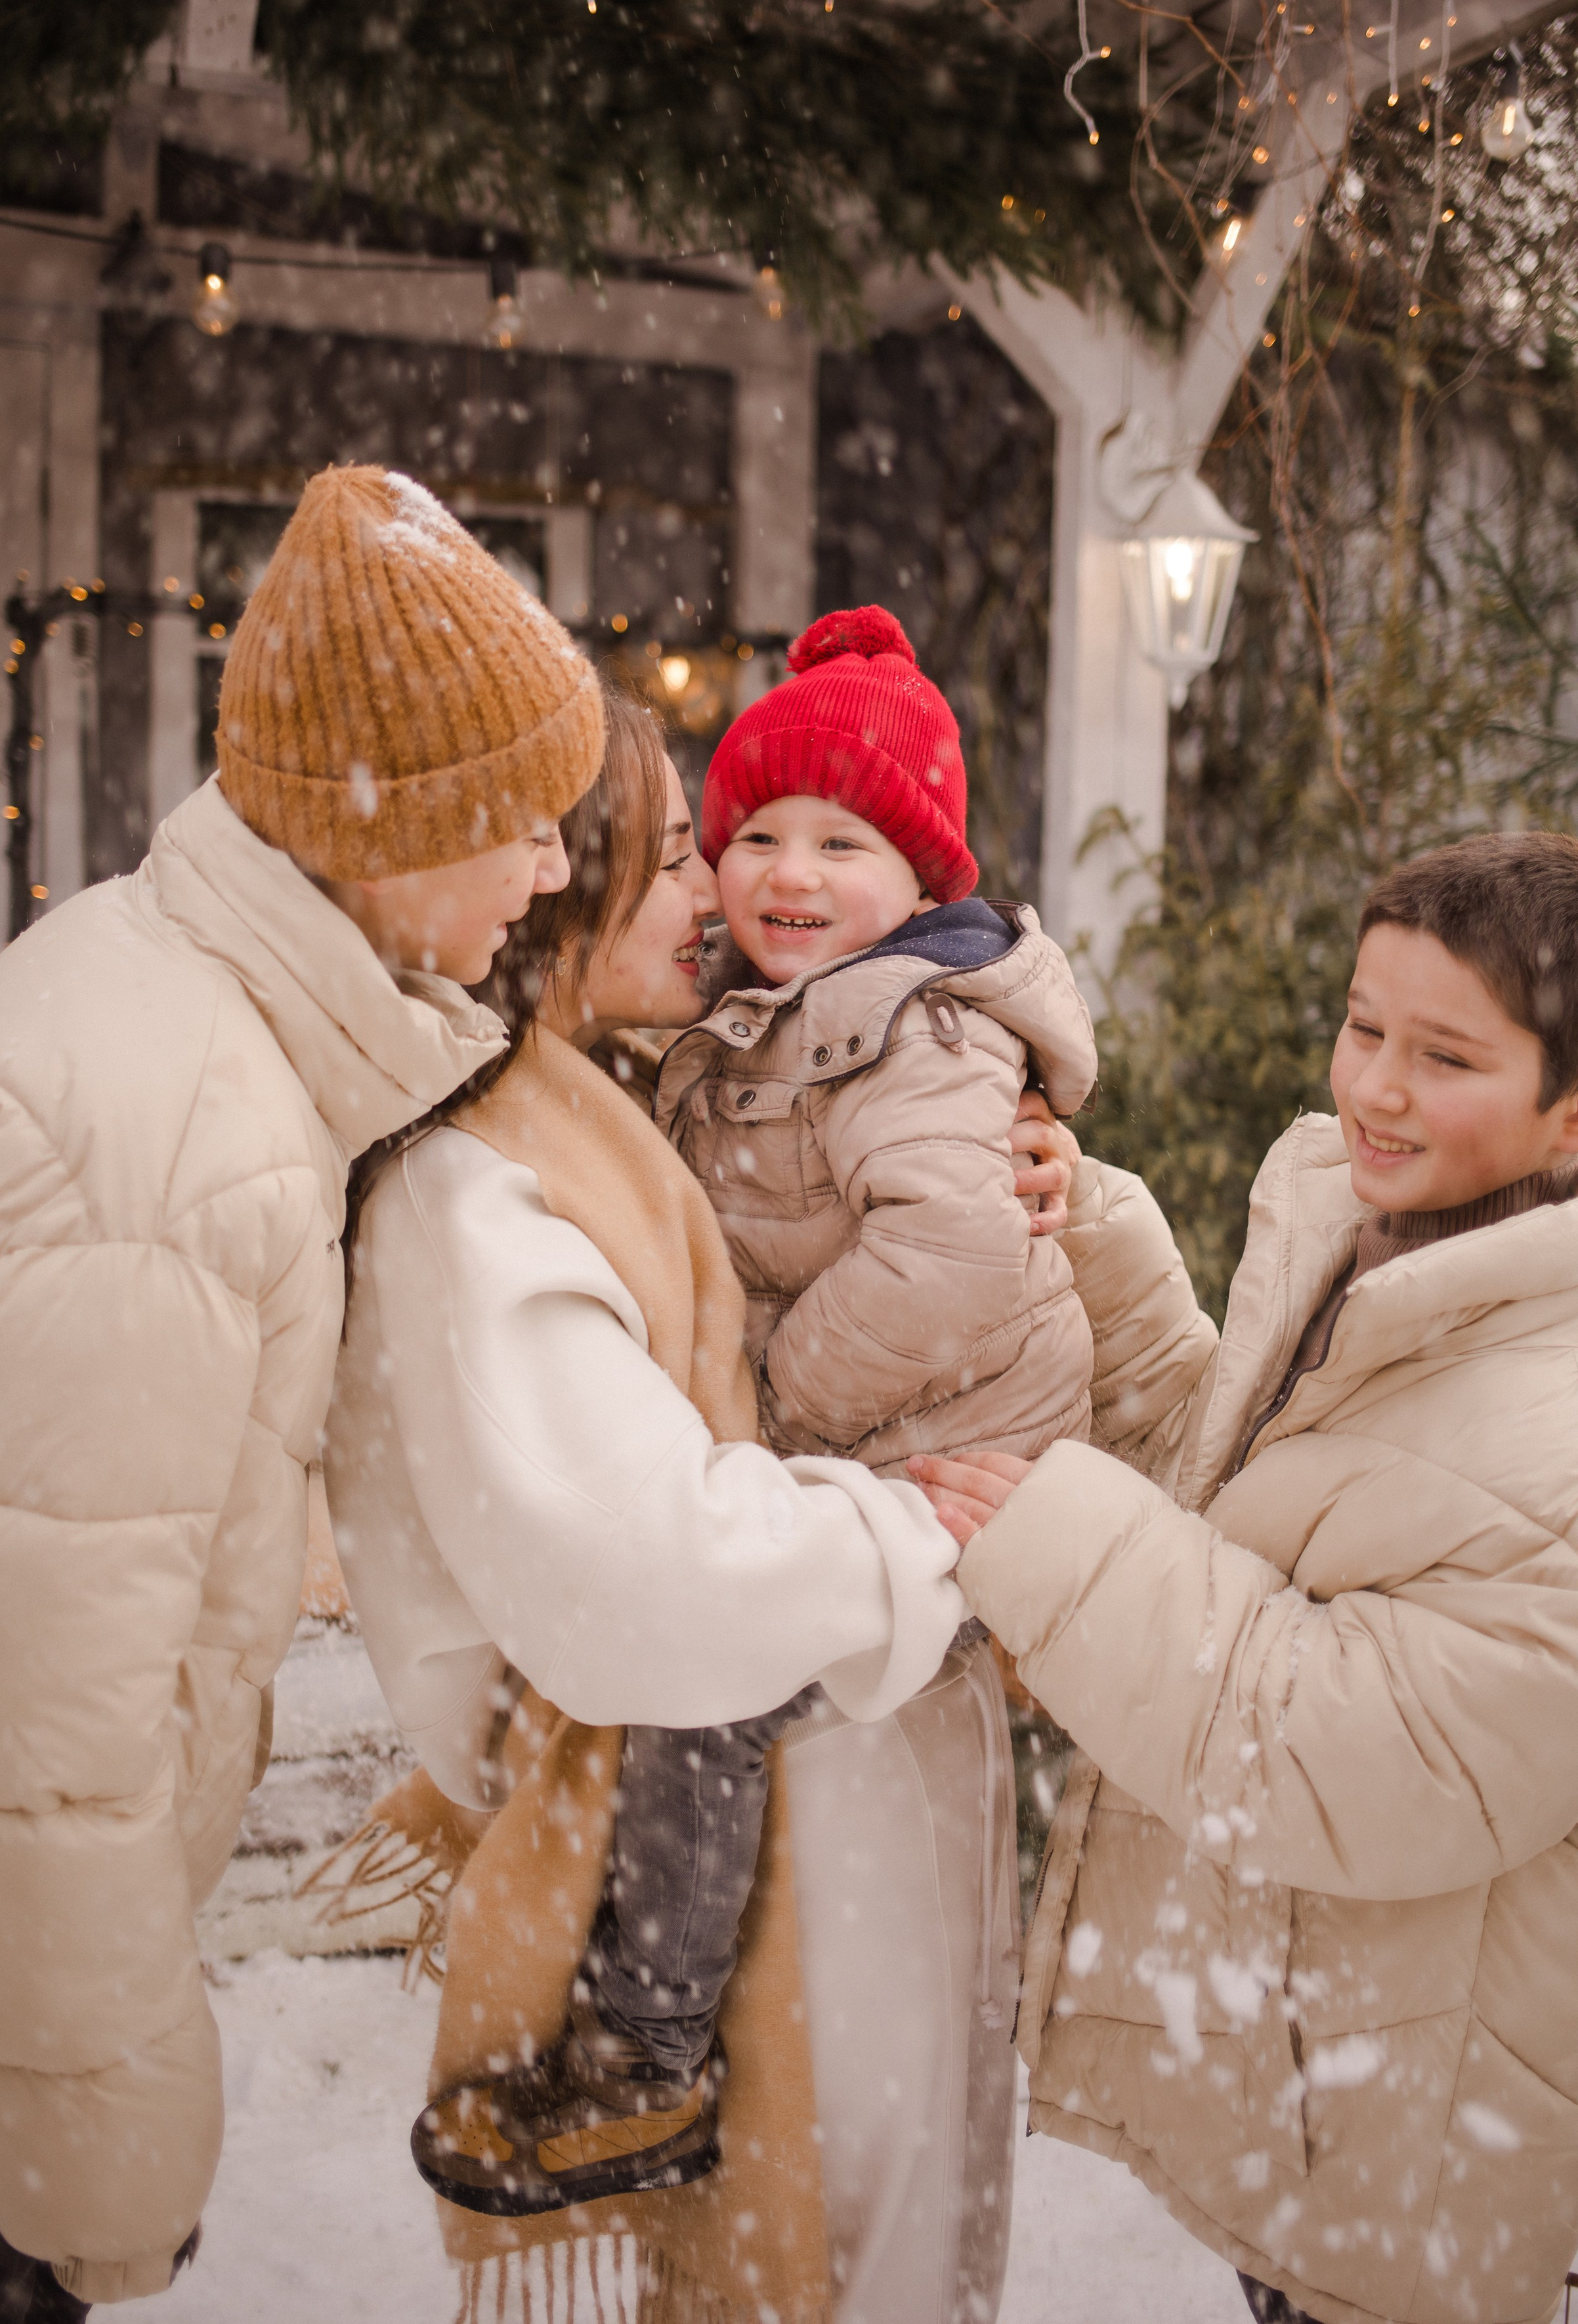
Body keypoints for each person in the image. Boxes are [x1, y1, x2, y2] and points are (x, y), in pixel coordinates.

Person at [325, 682, 1071, 2323]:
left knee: (893, 2214)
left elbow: (882, 1191)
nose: (719, 898)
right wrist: (921, 1530)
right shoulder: (490, 1172)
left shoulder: (646, 1079)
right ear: (559, 884)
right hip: (790, 1749)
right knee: (844, 2242)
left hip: (847, 1748)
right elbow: (654, 1575)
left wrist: (1036, 1166)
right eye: (686, 857)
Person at [0, 465, 601, 2315]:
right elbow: (26, 1755)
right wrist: (92, 2182)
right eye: (528, 825)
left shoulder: (211, 1048)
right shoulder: (155, 1137)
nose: (554, 871)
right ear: (400, 827)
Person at [916, 831, 1578, 2324]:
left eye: (1443, 1056)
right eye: (1365, 1024)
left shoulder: (1575, 1435)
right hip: (1338, 2072)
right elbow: (1240, 1505)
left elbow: (1357, 1755)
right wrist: (1094, 1238)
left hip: (1425, 2149)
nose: (1372, 1084)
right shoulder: (1397, 1247)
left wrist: (1063, 1548)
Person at [494, 603, 1099, 2170]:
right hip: (864, 1463)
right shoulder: (774, 1023)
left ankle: (653, 2047)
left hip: (951, 1475)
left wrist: (760, 1392)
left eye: (842, 842)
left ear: (922, 883)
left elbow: (954, 1258)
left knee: (714, 1686)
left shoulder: (917, 1031)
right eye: (756, 832)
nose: (785, 873)